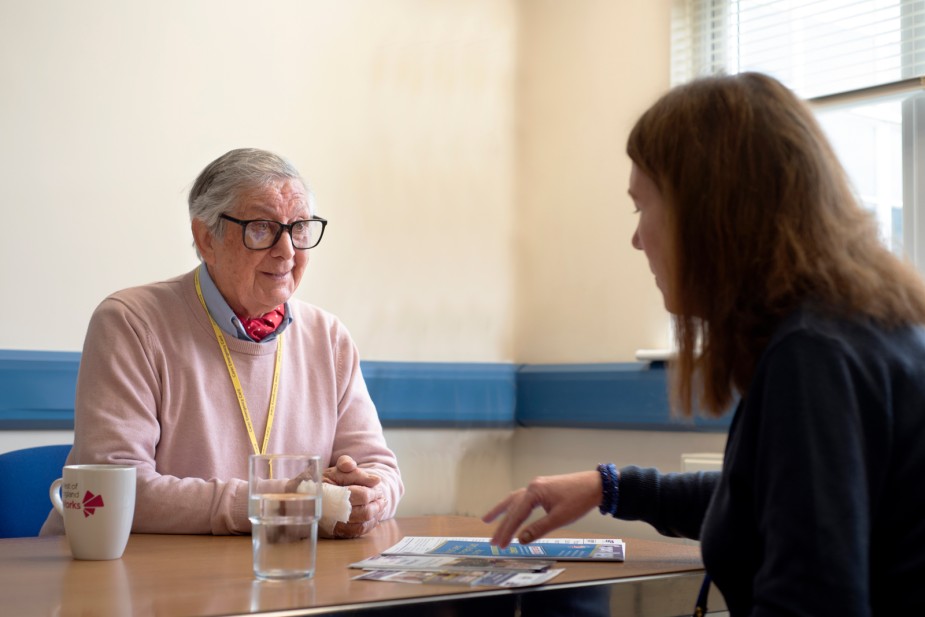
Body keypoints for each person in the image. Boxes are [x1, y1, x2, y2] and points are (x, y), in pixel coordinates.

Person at [483, 72, 925, 615]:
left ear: (710, 212)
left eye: (642, 205)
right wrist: (610, 487)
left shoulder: (813, 356)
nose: (637, 237)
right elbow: (769, 500)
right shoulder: (862, 329)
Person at [41, 148, 403, 538]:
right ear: (206, 238)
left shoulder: (329, 338)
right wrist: (276, 501)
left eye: (299, 228)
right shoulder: (130, 322)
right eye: (262, 228)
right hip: (136, 581)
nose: (287, 251)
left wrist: (371, 497)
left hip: (276, 577)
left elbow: (380, 468)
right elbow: (115, 490)